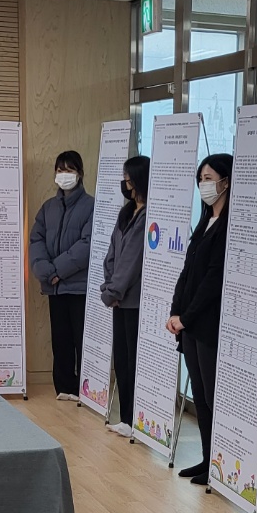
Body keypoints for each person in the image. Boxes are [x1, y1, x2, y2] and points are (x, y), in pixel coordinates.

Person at [166, 153, 233, 483]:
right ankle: (207, 460)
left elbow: (212, 281)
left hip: (207, 326)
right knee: (200, 396)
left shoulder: (228, 227)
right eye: (201, 179)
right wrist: (175, 312)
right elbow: (187, 272)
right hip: (189, 325)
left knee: (211, 395)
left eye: (209, 179)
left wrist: (187, 317)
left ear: (226, 182)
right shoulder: (204, 221)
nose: (204, 185)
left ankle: (217, 464)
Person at [29, 150, 95, 400]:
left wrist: (57, 270)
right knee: (61, 340)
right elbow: (36, 240)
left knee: (82, 339)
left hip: (79, 287)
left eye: (69, 170)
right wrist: (46, 272)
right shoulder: (48, 207)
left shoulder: (91, 206)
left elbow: (87, 244)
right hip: (54, 288)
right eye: (59, 170)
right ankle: (65, 387)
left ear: (80, 173)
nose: (64, 175)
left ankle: (85, 389)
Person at [101, 155, 150, 436]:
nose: (125, 184)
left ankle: (134, 419)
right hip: (118, 299)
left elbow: (132, 260)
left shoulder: (147, 217)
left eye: (129, 179)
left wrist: (114, 291)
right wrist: (109, 288)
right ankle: (125, 416)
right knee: (120, 359)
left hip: (132, 301)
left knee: (133, 361)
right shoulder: (126, 212)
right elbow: (112, 254)